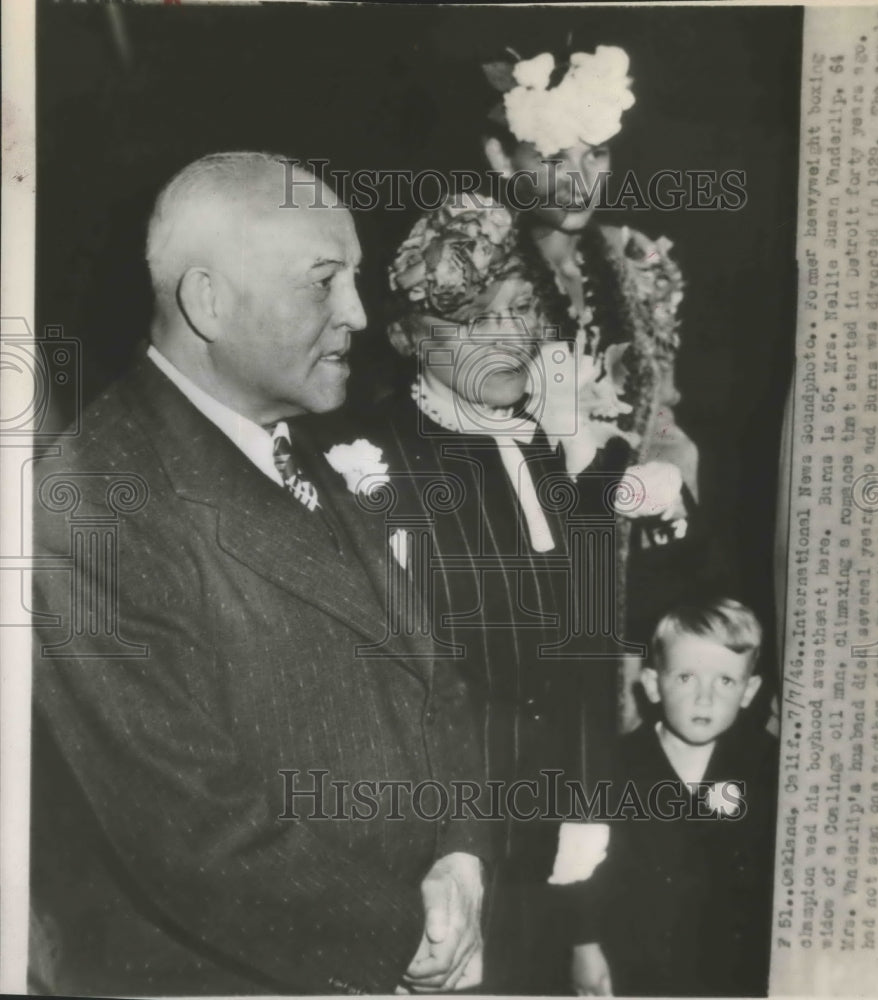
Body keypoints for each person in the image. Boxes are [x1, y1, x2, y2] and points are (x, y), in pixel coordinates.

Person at [30, 152, 488, 996]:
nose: (357, 311)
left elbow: (433, 682)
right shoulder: (86, 500)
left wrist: (459, 853)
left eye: (353, 277)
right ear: (208, 301)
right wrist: (407, 936)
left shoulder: (290, 439)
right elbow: (190, 828)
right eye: (324, 282)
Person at [309, 194, 632, 993]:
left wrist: (587, 804)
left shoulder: (560, 448)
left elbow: (589, 641)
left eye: (520, 309)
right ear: (410, 338)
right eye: (473, 321)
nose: (507, 339)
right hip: (429, 843)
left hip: (550, 826)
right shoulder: (367, 465)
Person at [479, 45, 725, 693]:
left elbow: (661, 419)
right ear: (502, 159)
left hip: (634, 572)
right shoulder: (472, 273)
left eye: (597, 154)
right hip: (521, 571)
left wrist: (667, 489)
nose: (581, 179)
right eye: (555, 158)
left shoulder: (633, 261)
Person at [568, 598, 778, 997]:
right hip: (635, 969)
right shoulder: (614, 766)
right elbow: (581, 870)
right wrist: (585, 945)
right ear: (651, 684)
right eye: (686, 678)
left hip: (736, 975)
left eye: (725, 681)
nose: (705, 698)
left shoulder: (765, 766)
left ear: (749, 690)